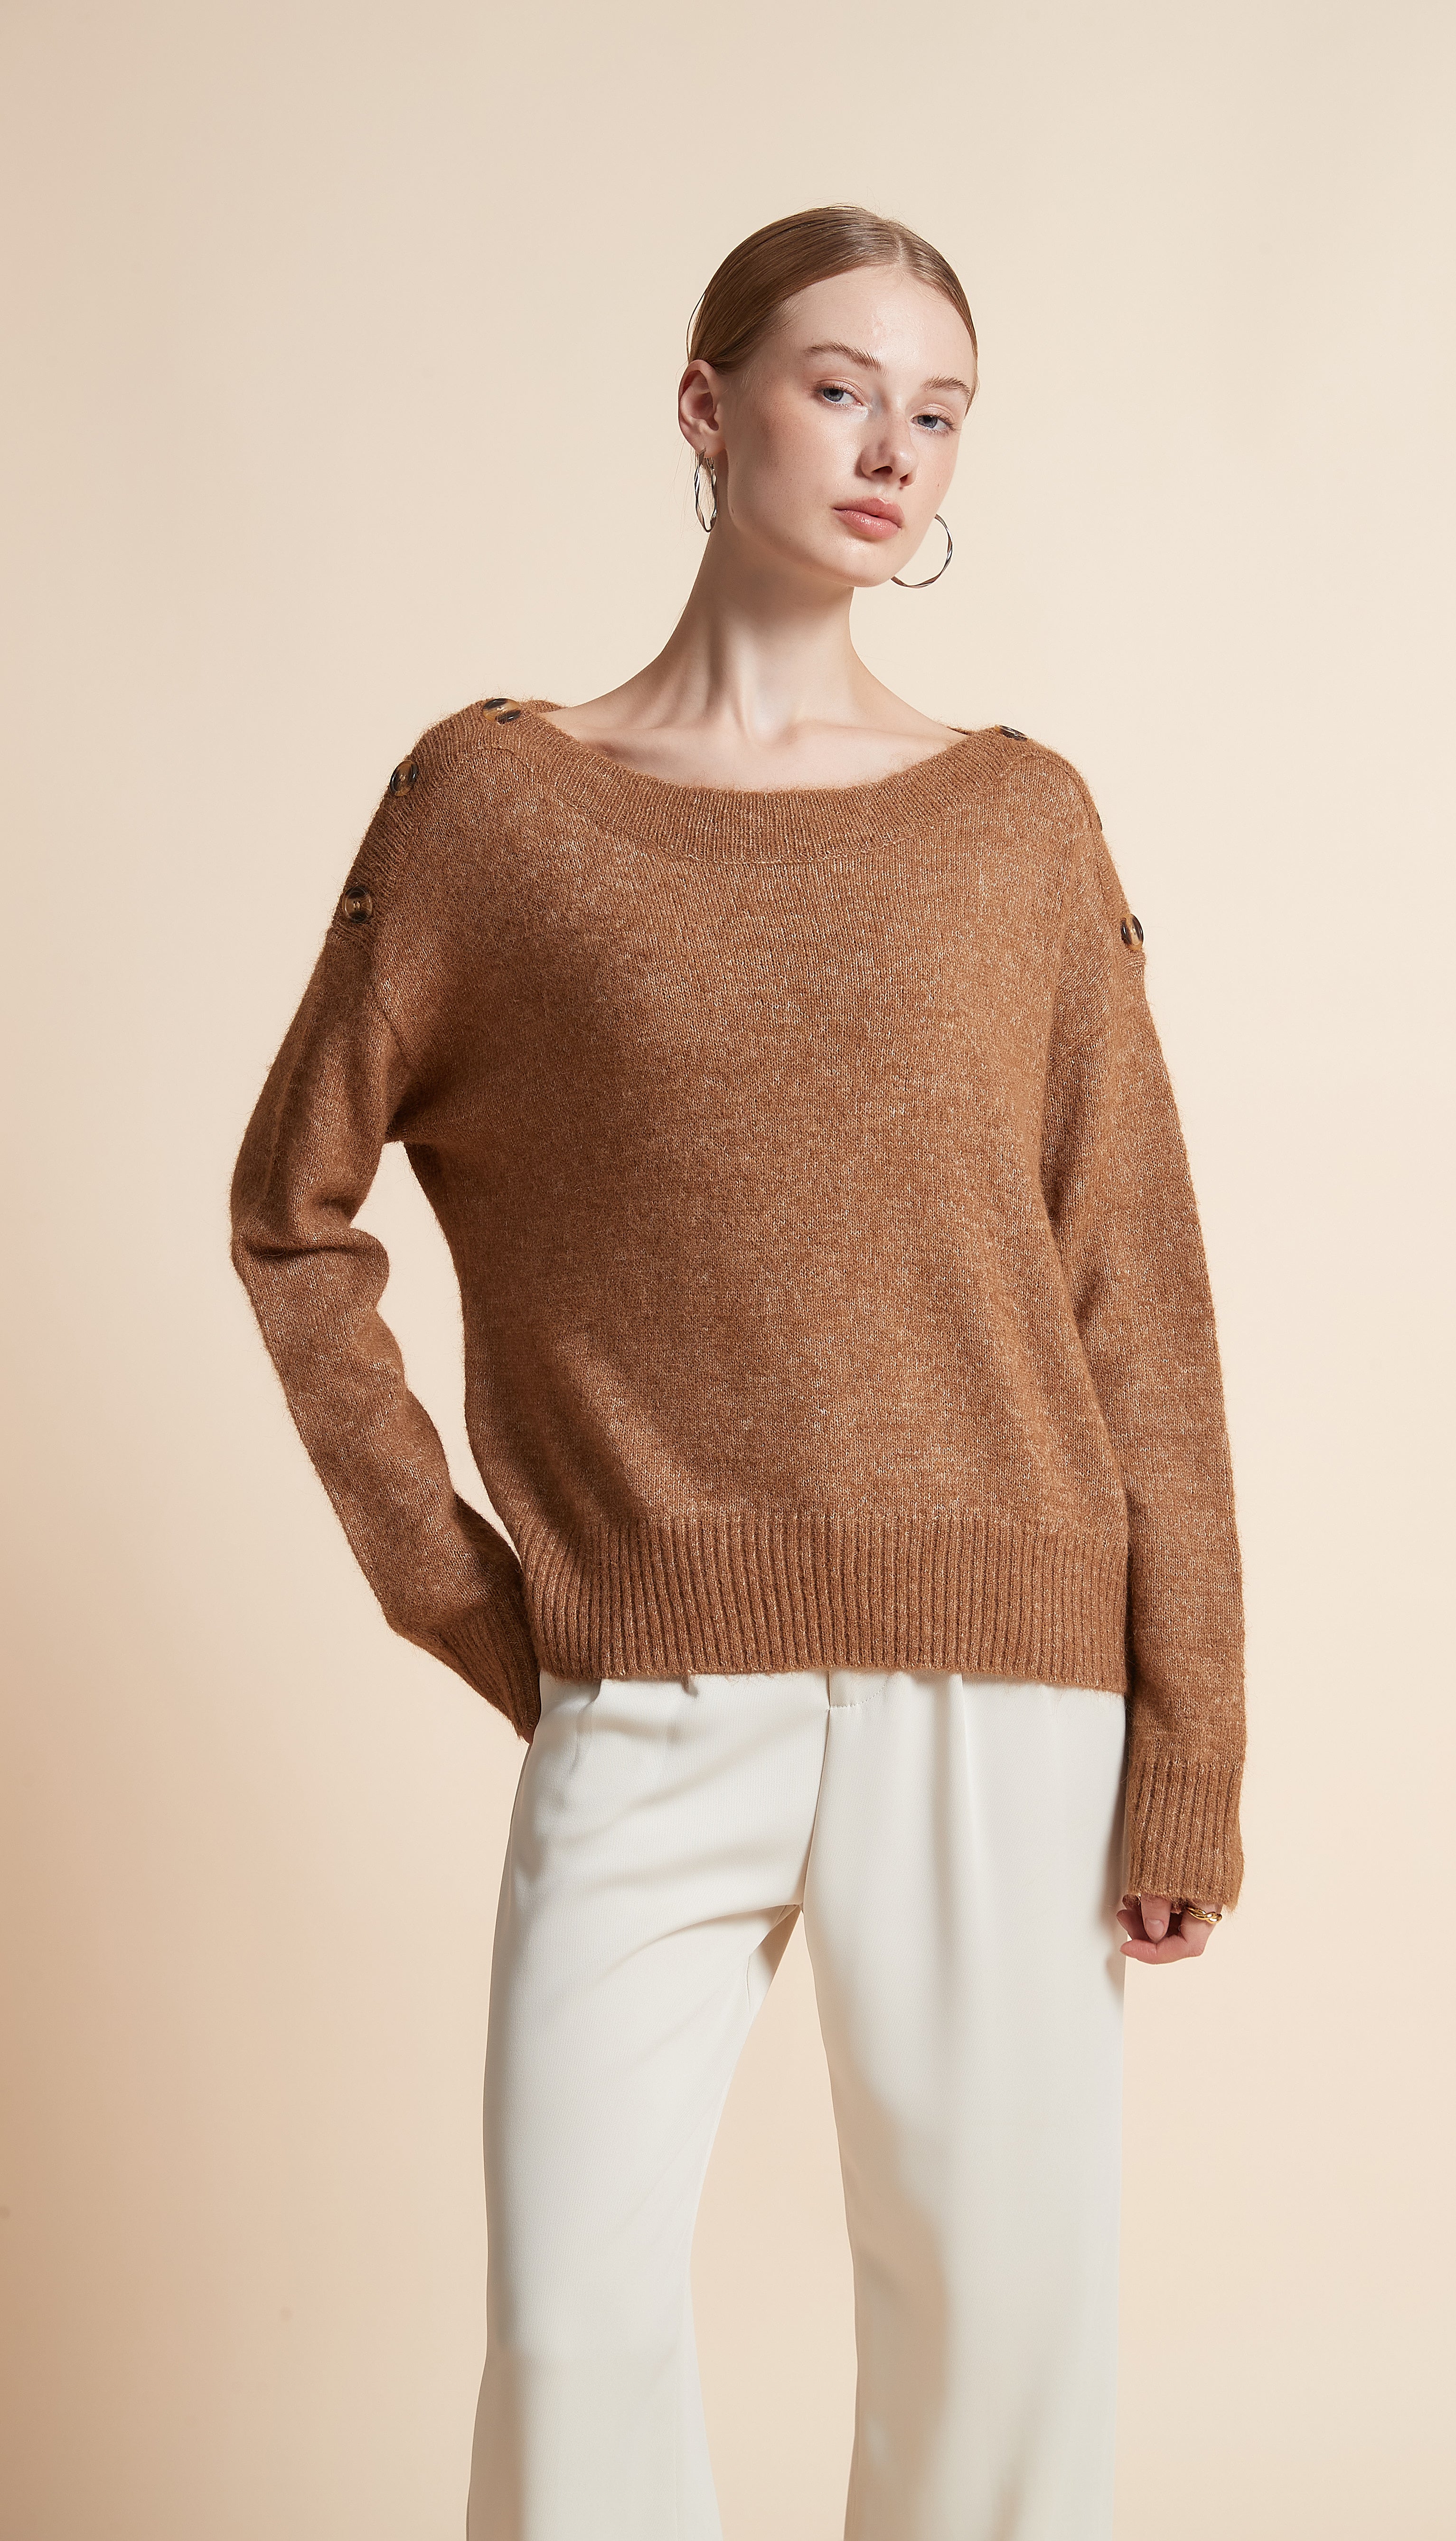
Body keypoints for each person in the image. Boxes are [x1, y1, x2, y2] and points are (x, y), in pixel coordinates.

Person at [229, 202, 1247, 2541]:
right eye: (837, 387)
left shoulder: (1018, 823)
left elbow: (1139, 1296)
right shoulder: (492, 809)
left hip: (1008, 1686)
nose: (892, 448)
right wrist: (466, 1597)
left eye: (939, 410)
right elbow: (292, 1218)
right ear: (706, 408)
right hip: (651, 1682)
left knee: (997, 2340)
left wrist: (1188, 1741)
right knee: (573, 2327)